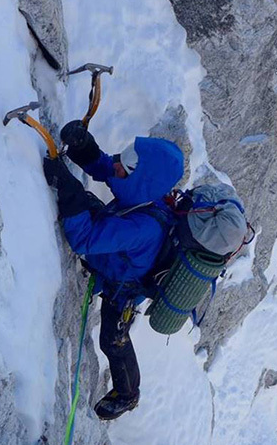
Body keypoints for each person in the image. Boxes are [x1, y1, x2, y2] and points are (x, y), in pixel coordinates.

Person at [42, 120, 184, 420]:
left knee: (112, 340)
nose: (118, 164)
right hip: (117, 248)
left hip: (123, 290)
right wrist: (84, 148)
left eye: (127, 165)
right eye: (124, 156)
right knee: (88, 203)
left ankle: (128, 393)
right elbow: (111, 169)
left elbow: (84, 239)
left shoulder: (143, 227)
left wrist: (69, 190)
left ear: (141, 179)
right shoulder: (146, 192)